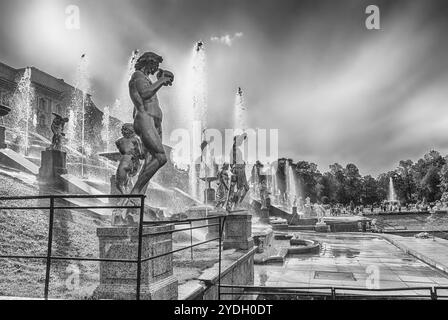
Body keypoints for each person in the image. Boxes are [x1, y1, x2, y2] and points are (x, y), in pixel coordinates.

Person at [128, 51, 174, 196]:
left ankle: (139, 197)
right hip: (146, 120)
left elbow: (141, 102)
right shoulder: (137, 76)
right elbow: (145, 94)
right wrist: (161, 81)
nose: (155, 69)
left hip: (151, 122)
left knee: (150, 161)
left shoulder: (145, 78)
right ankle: (135, 193)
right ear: (148, 62)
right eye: (155, 65)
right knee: (161, 158)